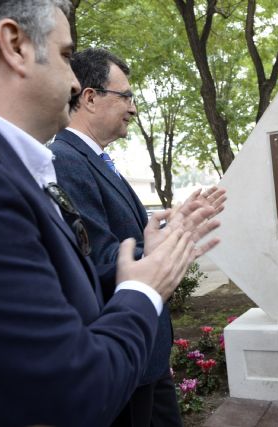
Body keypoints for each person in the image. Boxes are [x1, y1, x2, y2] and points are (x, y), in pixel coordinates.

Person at [0, 1, 221, 426]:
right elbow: (67, 393)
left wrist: (149, 250)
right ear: (15, 44)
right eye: (64, 55)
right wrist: (144, 287)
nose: (75, 82)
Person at [49, 48, 225, 426]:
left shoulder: (96, 160)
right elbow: (96, 259)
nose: (133, 107)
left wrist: (172, 228)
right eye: (125, 96)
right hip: (122, 357)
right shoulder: (65, 160)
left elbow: (127, 238)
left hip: (146, 353)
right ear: (90, 97)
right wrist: (172, 241)